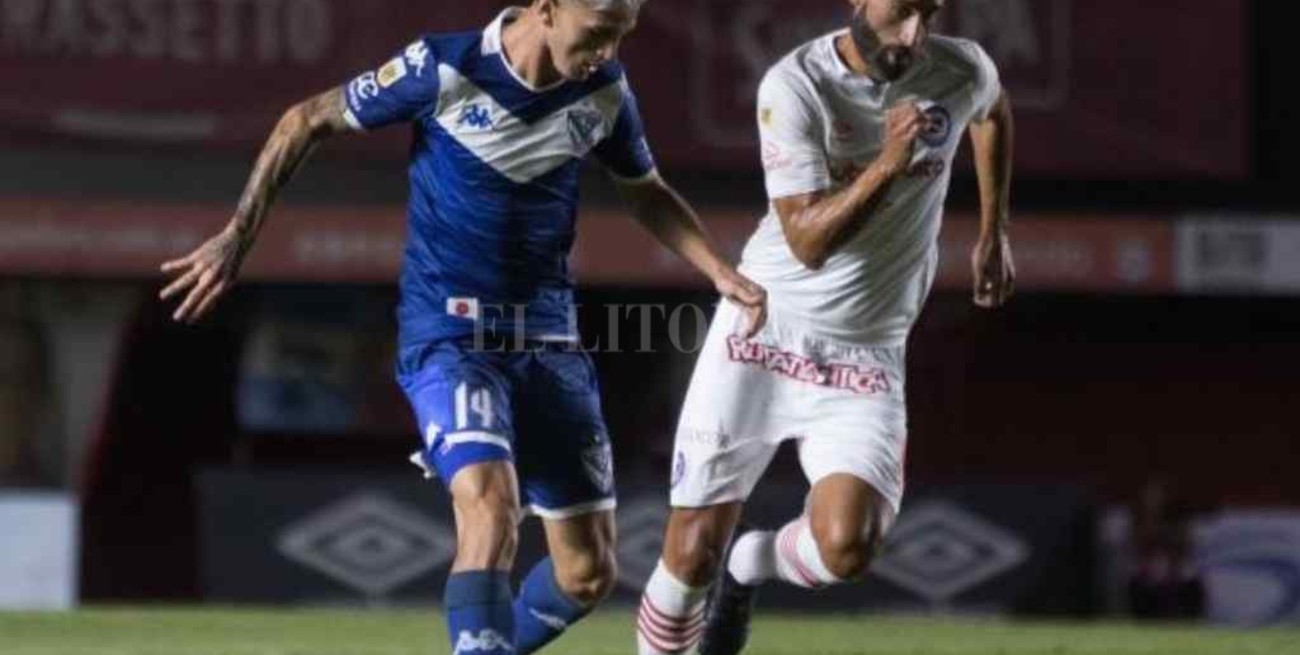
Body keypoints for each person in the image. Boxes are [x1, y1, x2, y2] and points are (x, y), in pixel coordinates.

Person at [159, 2, 766, 653]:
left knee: (585, 574)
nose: (609, 51)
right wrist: (236, 236)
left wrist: (717, 271)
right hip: (448, 338)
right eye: (598, 32)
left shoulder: (605, 92)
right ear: (546, 8)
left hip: (549, 343)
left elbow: (644, 188)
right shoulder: (446, 67)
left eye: (623, 34)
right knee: (490, 505)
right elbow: (305, 118)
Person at [633, 1, 1014, 653]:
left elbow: (994, 112)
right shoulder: (795, 85)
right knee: (691, 550)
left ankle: (749, 562)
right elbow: (807, 241)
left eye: (929, 13)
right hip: (764, 332)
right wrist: (889, 161)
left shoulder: (960, 69)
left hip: (866, 354)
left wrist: (993, 230)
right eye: (900, 13)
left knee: (848, 546)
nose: (914, 35)